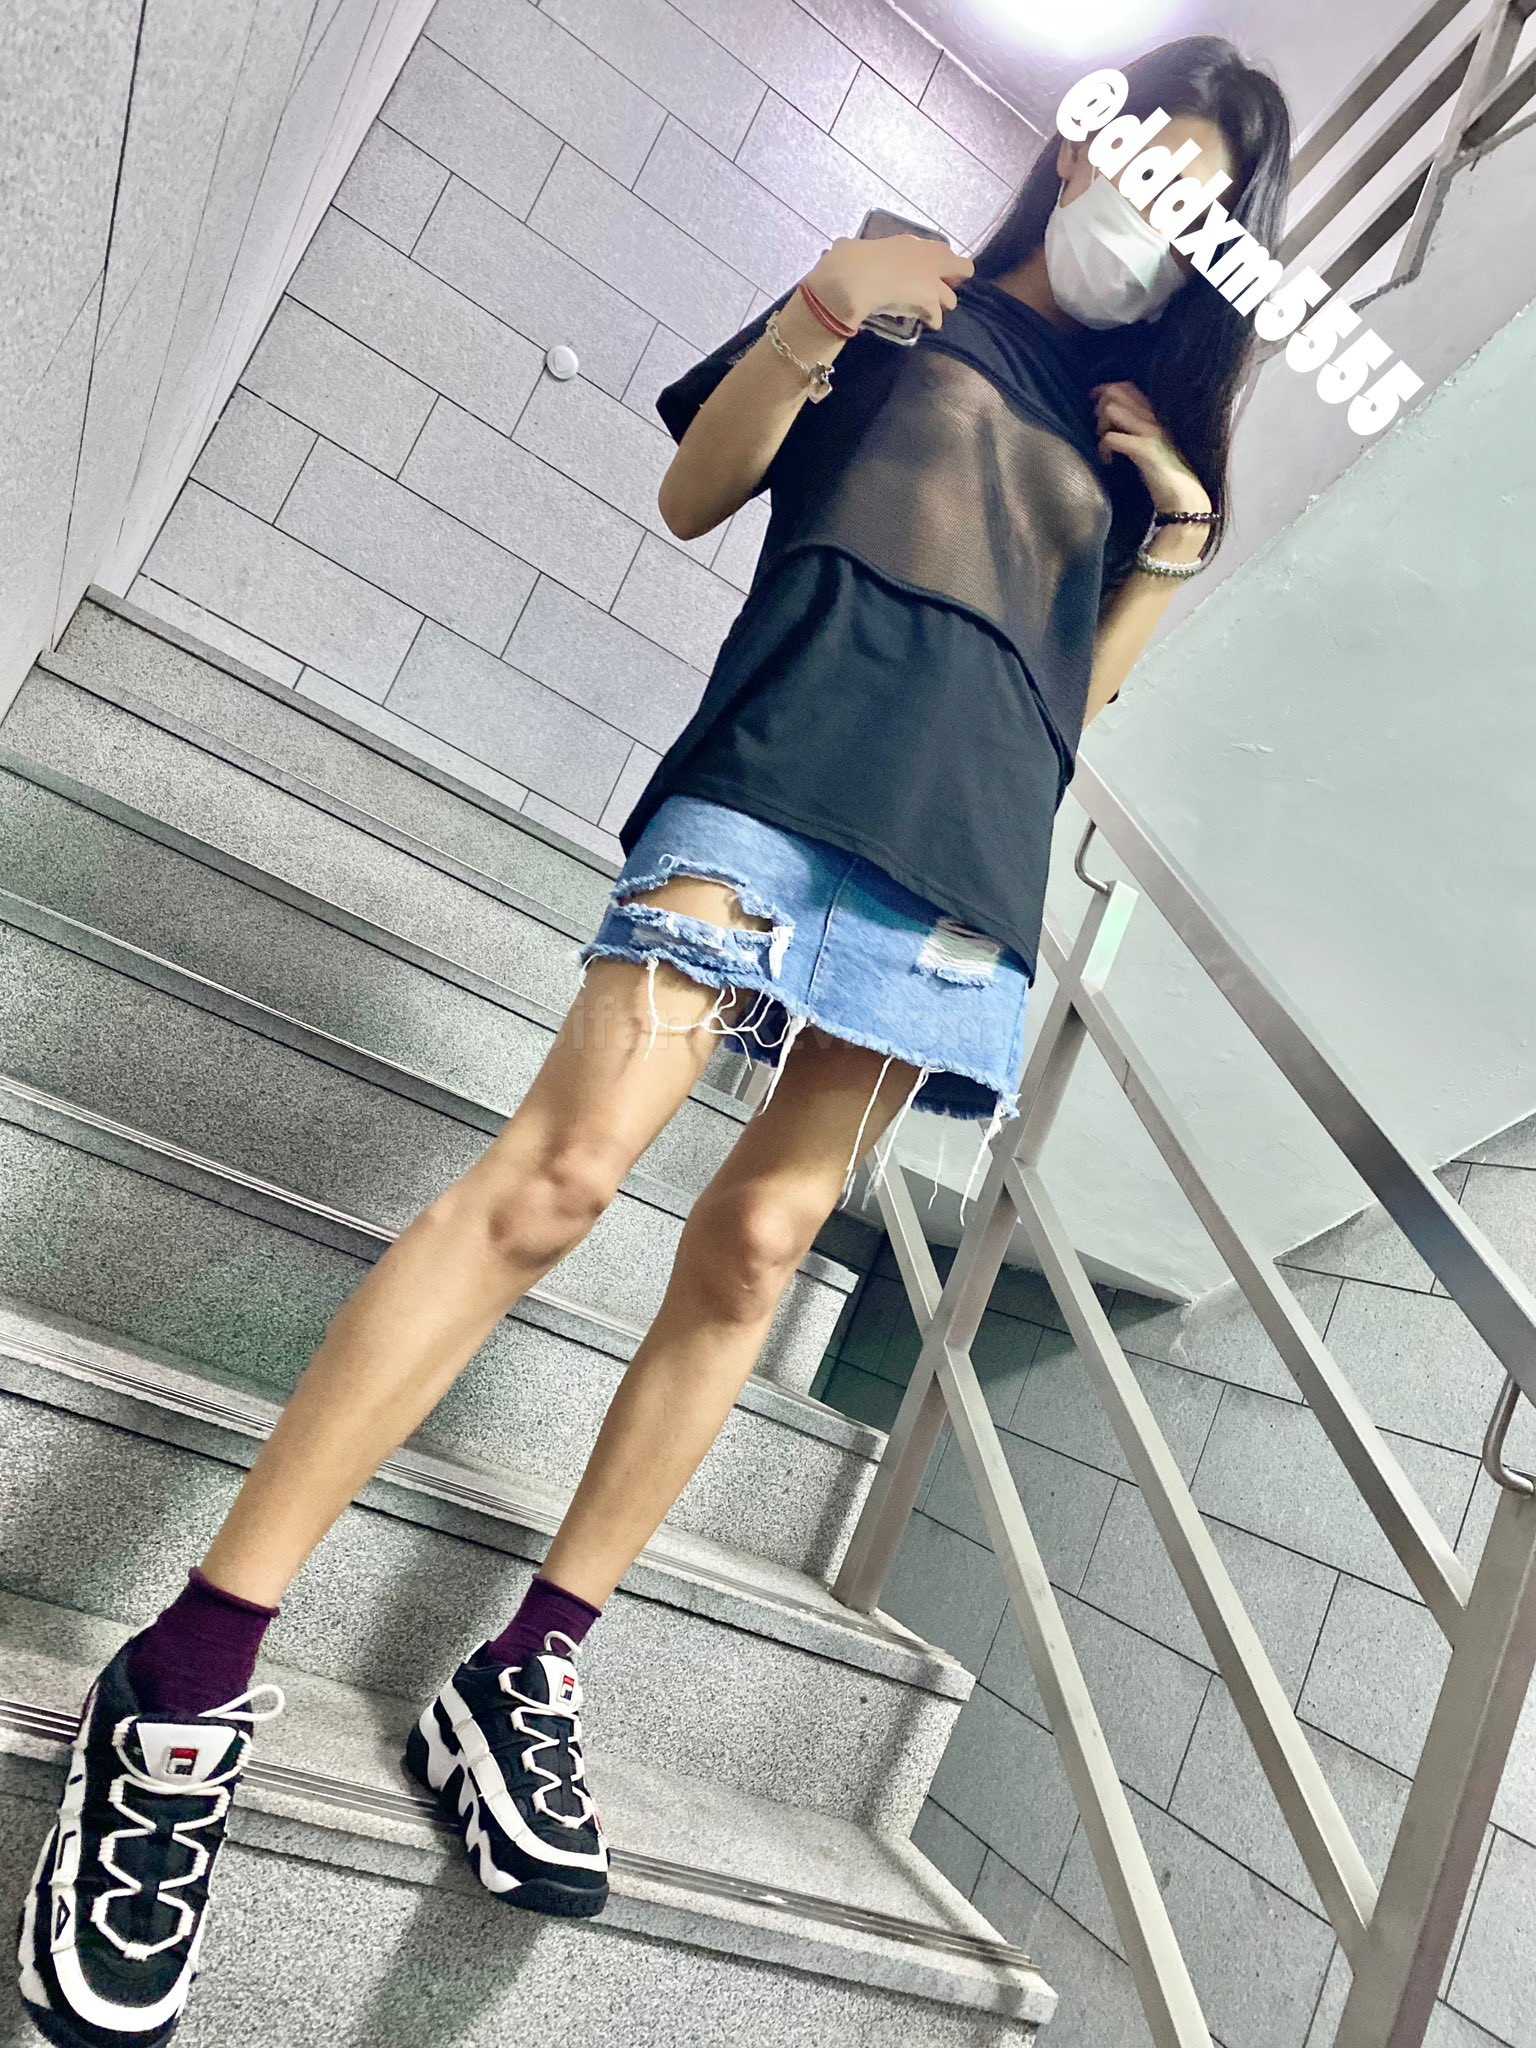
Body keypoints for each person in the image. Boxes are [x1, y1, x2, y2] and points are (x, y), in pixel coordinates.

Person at [16, 33, 1291, 2046]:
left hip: (956, 877)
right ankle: (187, 1668)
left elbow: (1072, 708)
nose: (1158, 212)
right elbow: (699, 492)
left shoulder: (1135, 437)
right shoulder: (901, 285)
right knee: (556, 1183)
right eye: (1153, 158)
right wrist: (819, 309)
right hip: (774, 790)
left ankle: (529, 1662)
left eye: (1204, 204)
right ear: (1080, 145)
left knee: (764, 1249)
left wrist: (1178, 541)